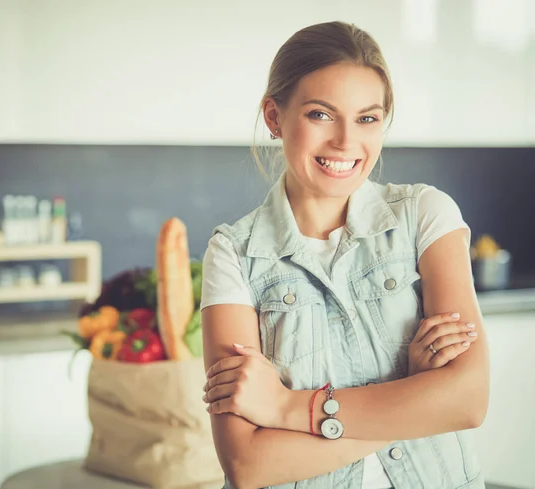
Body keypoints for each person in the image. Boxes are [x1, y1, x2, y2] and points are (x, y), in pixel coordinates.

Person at [200, 21, 489, 489]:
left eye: (367, 118)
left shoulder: (425, 215)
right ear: (274, 117)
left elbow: (468, 401)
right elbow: (248, 464)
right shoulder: (234, 254)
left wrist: (284, 408)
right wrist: (410, 398)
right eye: (320, 114)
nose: (345, 141)